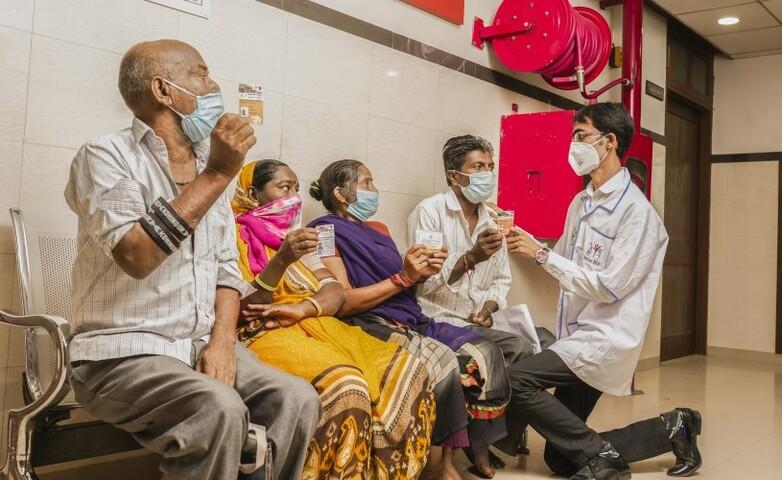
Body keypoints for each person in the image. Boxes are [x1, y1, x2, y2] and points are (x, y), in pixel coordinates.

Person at [64, 40, 320, 480]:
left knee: (296, 399)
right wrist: (218, 174)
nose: (214, 84)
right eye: (202, 74)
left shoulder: (207, 165)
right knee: (218, 408)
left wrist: (222, 342)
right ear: (164, 91)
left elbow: (225, 268)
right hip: (122, 353)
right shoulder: (106, 155)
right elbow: (136, 254)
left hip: (200, 346)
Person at [505, 102, 702, 480]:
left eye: (581, 135)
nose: (573, 145)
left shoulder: (637, 213)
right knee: (561, 459)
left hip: (605, 337)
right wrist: (522, 242)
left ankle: (603, 459)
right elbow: (562, 262)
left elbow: (609, 287)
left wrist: (543, 254)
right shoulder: (581, 202)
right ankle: (674, 427)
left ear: (609, 142)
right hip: (576, 333)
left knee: (517, 380)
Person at [231, 159, 435, 479]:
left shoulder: (297, 238)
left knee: (409, 369)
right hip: (264, 332)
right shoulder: (232, 238)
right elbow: (241, 308)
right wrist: (281, 261)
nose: (294, 198)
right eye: (284, 188)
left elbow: (335, 293)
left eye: (296, 189)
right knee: (346, 384)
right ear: (252, 193)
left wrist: (305, 308)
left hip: (313, 323)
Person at [309, 160, 511, 479]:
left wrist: (421, 272)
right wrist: (405, 277)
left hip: (409, 315)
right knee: (444, 363)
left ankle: (476, 445)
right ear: (341, 193)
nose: (374, 190)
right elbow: (343, 301)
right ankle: (436, 465)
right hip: (370, 321)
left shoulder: (379, 229)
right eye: (367, 183)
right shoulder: (323, 231)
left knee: (484, 351)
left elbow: (404, 282)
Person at [408, 134, 556, 464]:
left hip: (478, 320)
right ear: (453, 175)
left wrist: (490, 307)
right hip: (439, 318)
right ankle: (481, 443)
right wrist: (470, 258)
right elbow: (424, 284)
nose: (487, 174)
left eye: (490, 166)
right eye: (477, 167)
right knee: (517, 348)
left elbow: (501, 280)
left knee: (545, 341)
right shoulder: (430, 213)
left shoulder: (493, 220)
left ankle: (501, 434)